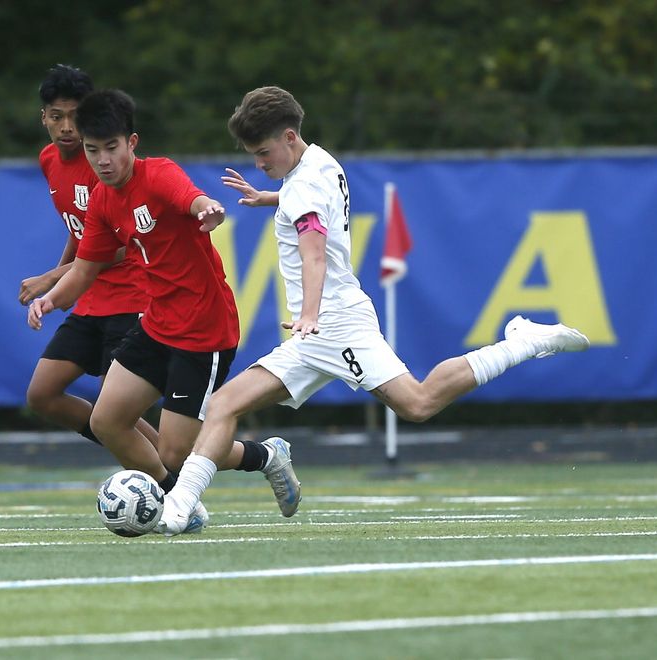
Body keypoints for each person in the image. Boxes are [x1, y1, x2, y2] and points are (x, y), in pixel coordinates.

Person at [154, 85, 591, 536]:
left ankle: (522, 342)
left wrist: (308, 313)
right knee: (224, 404)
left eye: (264, 153)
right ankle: (180, 507)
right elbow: (307, 200)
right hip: (316, 333)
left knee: (418, 404)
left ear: (288, 137)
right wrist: (269, 198)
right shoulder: (319, 161)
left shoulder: (301, 186)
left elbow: (314, 254)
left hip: (335, 325)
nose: (260, 164)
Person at [27, 89, 301, 532]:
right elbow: (84, 270)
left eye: (112, 148)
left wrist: (208, 209)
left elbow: (192, 199)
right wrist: (51, 298)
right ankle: (179, 504)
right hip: (156, 324)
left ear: (131, 143)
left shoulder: (158, 175)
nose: (103, 161)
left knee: (177, 451)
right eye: (94, 151)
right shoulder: (101, 200)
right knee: (107, 420)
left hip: (204, 330)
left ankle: (264, 455)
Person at [20, 64, 156, 451]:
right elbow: (81, 231)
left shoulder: (105, 164)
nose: (66, 127)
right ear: (43, 117)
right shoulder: (49, 160)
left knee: (114, 415)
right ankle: (166, 469)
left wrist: (52, 278)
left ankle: (170, 476)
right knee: (42, 395)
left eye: (74, 116)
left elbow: (123, 244)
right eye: (56, 116)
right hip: (92, 297)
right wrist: (66, 281)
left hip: (131, 294)